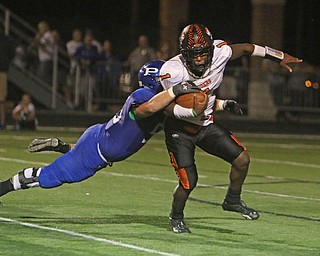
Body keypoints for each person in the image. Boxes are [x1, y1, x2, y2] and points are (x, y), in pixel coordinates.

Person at [159, 24, 303, 233]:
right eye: (193, 54)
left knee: (242, 160)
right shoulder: (171, 71)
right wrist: (189, 113)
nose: (199, 59)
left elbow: (247, 48)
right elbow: (164, 105)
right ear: (183, 54)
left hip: (206, 124)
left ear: (211, 50)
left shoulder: (221, 52)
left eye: (203, 53)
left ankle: (232, 200)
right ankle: (176, 215)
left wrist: (277, 56)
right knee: (189, 182)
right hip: (180, 131)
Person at [0, 60, 203, 200]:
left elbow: (181, 113)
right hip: (98, 150)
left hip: (99, 138)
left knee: (70, 163)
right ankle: (2, 188)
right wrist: (177, 91)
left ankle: (61, 146)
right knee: (47, 177)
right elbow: (150, 107)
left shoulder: (161, 105)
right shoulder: (144, 95)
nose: (173, 82)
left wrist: (215, 105)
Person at [0, 30, 15, 130]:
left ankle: (2, 122)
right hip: (2, 70)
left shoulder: (5, 39)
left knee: (1, 99)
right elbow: (11, 53)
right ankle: (2, 122)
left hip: (2, 70)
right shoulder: (5, 39)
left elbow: (11, 53)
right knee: (1, 99)